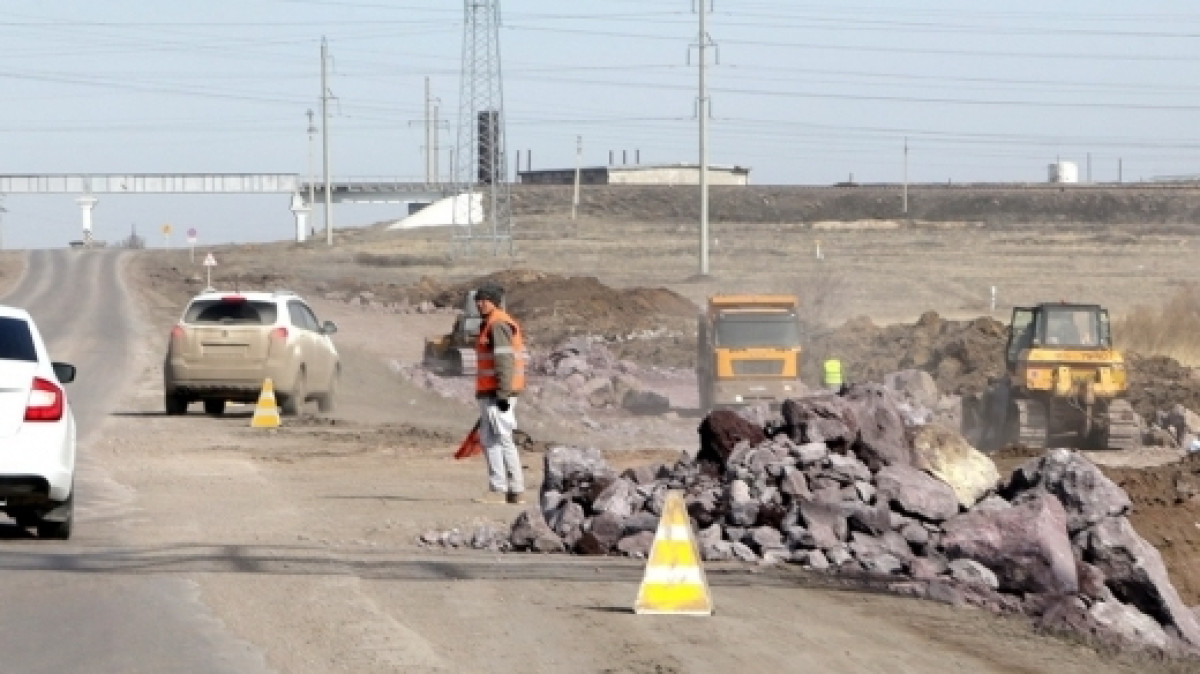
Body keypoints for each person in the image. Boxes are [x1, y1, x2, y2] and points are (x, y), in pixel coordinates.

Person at [472, 283, 528, 505]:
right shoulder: (494, 323)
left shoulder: (497, 324)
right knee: (499, 438)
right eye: (477, 299)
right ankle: (514, 490)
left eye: (484, 299)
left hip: (496, 393)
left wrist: (503, 394)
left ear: (494, 302)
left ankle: (500, 489)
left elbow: (504, 360)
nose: (479, 303)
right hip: (495, 392)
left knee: (495, 439)